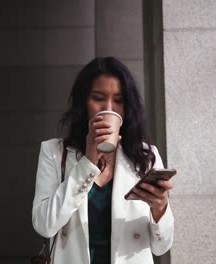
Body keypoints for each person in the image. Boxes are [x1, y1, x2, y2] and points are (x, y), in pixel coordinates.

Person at [32, 57, 174, 264]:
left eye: (118, 100)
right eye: (98, 97)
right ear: (84, 102)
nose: (109, 108)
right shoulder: (54, 151)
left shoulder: (145, 156)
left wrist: (160, 208)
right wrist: (87, 163)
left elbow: (162, 247)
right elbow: (44, 225)